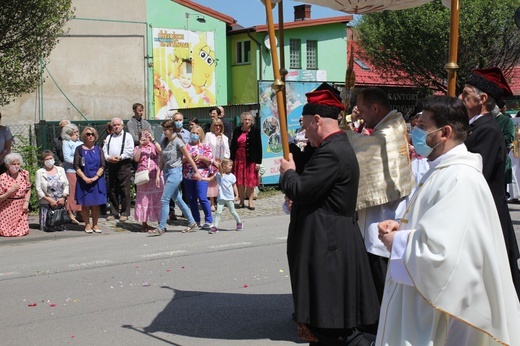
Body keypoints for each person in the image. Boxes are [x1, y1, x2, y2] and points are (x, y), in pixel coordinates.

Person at [376, 95, 520, 345]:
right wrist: (404, 227)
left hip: (437, 307)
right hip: (418, 291)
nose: (415, 133)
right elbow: (439, 226)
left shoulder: (459, 178)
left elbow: (442, 253)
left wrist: (398, 242)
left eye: (422, 127)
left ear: (445, 132)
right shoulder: (443, 169)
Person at [280, 83, 379, 345]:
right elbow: (316, 194)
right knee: (322, 331)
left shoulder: (332, 152)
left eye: (304, 124)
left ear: (316, 120)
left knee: (335, 331)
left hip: (329, 248)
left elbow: (301, 189)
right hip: (329, 242)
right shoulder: (333, 147)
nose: (303, 131)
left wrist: (288, 172)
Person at [346, 87, 415, 302]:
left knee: (381, 266)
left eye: (363, 111)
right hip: (383, 209)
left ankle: (380, 314)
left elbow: (370, 151)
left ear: (375, 108)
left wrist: (342, 135)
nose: (362, 117)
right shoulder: (391, 123)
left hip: (386, 211)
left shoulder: (389, 130)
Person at [461, 67, 520, 298]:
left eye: (465, 95)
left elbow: (477, 172)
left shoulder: (487, 130)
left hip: (488, 210)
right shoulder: (475, 127)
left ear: (482, 99)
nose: (461, 100)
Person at [151, 119, 200, 236]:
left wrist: (196, 171)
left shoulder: (178, 141)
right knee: (177, 199)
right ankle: (192, 222)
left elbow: (188, 157)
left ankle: (161, 227)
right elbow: (162, 159)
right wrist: (158, 174)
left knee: (164, 199)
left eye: (165, 130)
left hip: (175, 172)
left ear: (171, 129)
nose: (164, 132)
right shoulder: (164, 141)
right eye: (163, 130)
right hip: (167, 172)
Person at [74, 127, 106, 233]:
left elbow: (102, 165)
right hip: (84, 180)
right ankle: (87, 224)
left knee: (96, 204)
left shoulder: (99, 149)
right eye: (88, 134)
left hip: (96, 180)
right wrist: (84, 178)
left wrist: (95, 177)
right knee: (86, 204)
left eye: (92, 134)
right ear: (84, 136)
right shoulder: (79, 149)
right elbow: (76, 166)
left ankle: (95, 224)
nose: (90, 136)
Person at [103, 117, 134, 222]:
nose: (116, 127)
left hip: (123, 164)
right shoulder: (109, 137)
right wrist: (108, 158)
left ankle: (125, 212)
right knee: (112, 188)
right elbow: (104, 150)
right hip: (111, 164)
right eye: (114, 125)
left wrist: (120, 157)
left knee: (124, 188)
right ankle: (114, 212)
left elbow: (130, 151)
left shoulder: (128, 136)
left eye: (118, 125)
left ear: (122, 126)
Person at [183, 125, 214, 229]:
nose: (194, 135)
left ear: (200, 135)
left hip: (202, 174)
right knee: (191, 198)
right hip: (188, 174)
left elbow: (210, 160)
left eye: (197, 133)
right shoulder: (186, 146)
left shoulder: (205, 146)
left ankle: (209, 219)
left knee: (202, 197)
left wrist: (200, 157)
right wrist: (188, 158)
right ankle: (196, 220)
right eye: (193, 133)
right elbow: (181, 159)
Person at [230, 111, 262, 210]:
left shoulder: (255, 131)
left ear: (251, 121)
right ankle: (241, 201)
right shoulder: (236, 130)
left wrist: (258, 162)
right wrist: (231, 160)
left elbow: (259, 147)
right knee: (240, 181)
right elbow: (233, 146)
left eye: (249, 119)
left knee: (250, 181)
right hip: (238, 159)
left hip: (251, 159)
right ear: (242, 121)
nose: (247, 121)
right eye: (245, 119)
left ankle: (251, 202)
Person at [133, 129, 163, 233]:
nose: (145, 137)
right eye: (143, 135)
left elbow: (161, 151)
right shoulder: (137, 148)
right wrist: (141, 146)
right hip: (143, 177)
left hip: (155, 176)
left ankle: (160, 222)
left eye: (147, 135)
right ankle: (144, 223)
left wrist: (153, 140)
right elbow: (136, 159)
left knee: (157, 199)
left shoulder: (154, 146)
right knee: (143, 200)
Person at [202, 158, 242, 234]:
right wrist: (202, 178)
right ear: (224, 166)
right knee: (218, 212)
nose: (231, 167)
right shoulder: (218, 175)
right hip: (221, 197)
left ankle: (239, 222)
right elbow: (210, 179)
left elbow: (234, 186)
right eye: (229, 165)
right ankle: (215, 227)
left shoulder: (232, 176)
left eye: (231, 165)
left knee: (232, 211)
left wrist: (237, 195)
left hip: (229, 197)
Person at [35, 150, 69, 232]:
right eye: (47, 159)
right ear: (43, 161)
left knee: (61, 226)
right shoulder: (39, 172)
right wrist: (49, 200)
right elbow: (38, 188)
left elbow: (66, 185)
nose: (49, 160)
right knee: (47, 228)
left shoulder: (61, 170)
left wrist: (63, 197)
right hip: (47, 202)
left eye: (51, 158)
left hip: (60, 202)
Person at [0, 153, 31, 237]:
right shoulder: (2, 178)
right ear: (7, 165)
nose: (16, 166)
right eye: (14, 164)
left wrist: (26, 202)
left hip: (21, 206)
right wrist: (10, 192)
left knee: (23, 232)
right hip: (7, 207)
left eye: (18, 164)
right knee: (6, 233)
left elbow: (28, 189)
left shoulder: (24, 174)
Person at [204, 118, 230, 212]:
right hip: (212, 162)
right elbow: (206, 149)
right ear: (212, 126)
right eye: (216, 125)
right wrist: (212, 161)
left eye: (219, 125)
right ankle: (212, 203)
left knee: (221, 184)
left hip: (222, 163)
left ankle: (220, 202)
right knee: (212, 183)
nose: (217, 127)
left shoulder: (225, 137)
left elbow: (227, 151)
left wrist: (224, 161)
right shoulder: (208, 135)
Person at [61, 123, 83, 224]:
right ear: (69, 134)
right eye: (74, 133)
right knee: (72, 192)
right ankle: (70, 213)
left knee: (80, 192)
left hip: (81, 170)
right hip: (71, 170)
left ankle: (80, 212)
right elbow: (67, 158)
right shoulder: (66, 143)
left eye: (77, 132)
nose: (77, 134)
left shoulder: (80, 143)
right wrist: (78, 162)